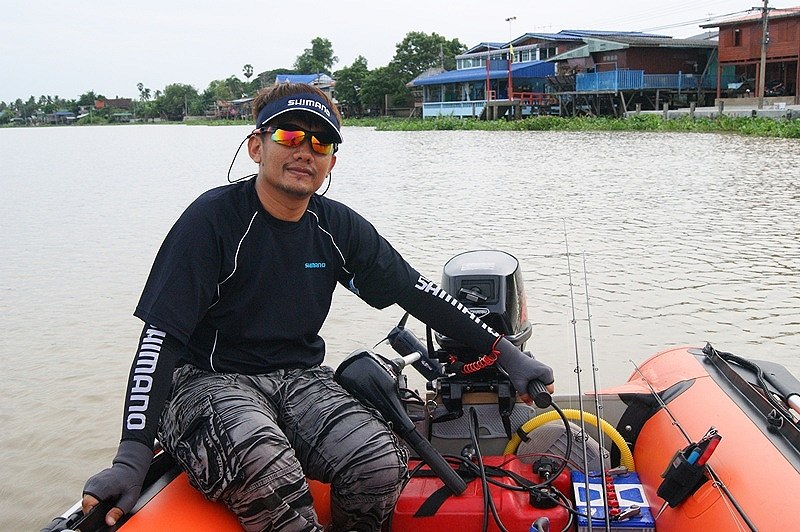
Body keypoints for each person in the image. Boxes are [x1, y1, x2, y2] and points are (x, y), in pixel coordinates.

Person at [81, 82, 555, 532]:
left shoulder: (336, 227)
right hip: (207, 380)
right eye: (289, 135)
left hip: (298, 377)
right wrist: (131, 456)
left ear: (330, 161)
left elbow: (417, 291)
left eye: (321, 143)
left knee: (379, 462)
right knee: (266, 465)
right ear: (256, 146)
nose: (304, 150)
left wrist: (507, 354)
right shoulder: (211, 220)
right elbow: (158, 340)